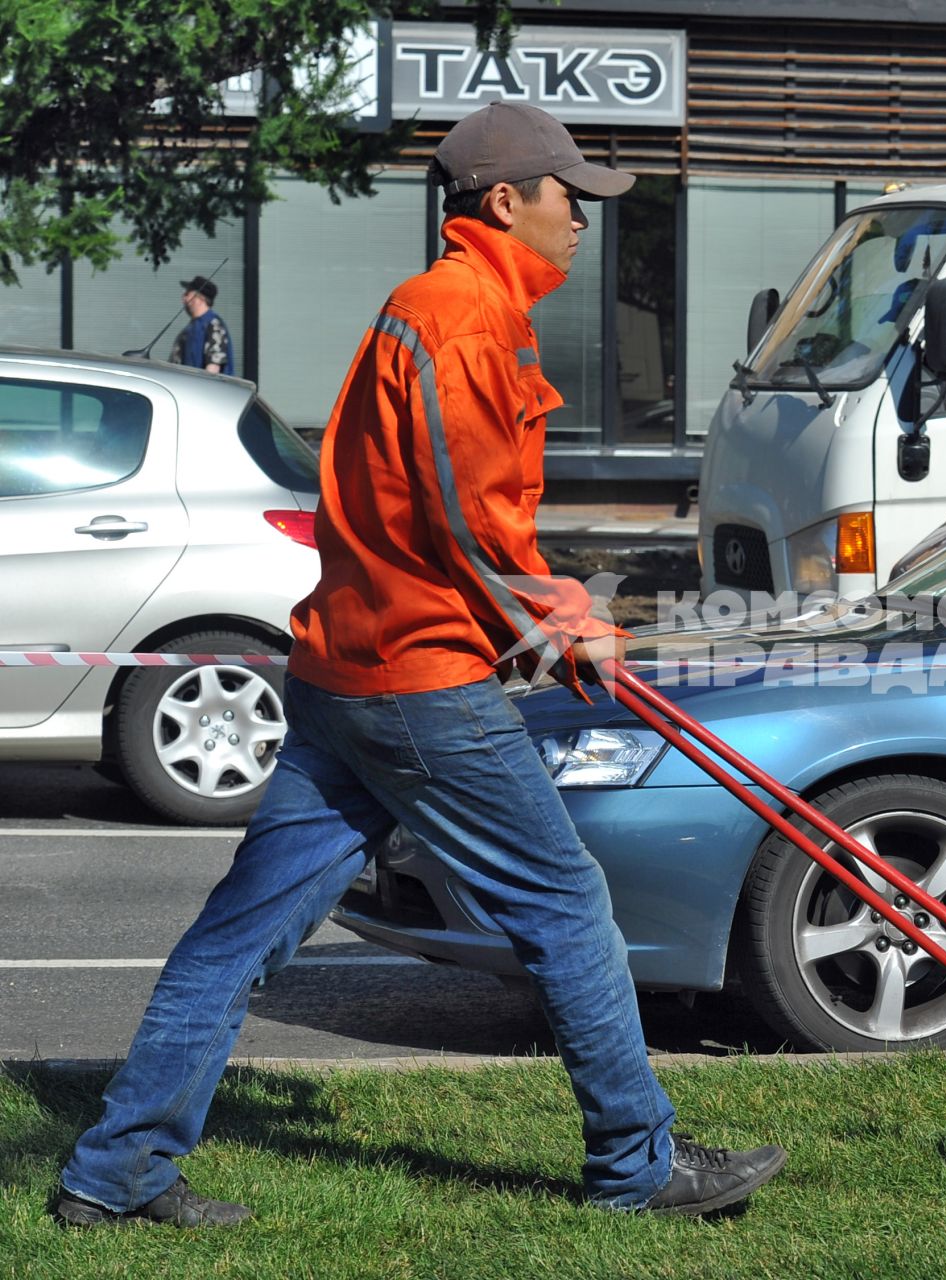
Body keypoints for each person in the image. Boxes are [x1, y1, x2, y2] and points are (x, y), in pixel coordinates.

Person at [52, 101, 785, 1229]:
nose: (584, 219)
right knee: (568, 901)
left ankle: (116, 1172)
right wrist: (550, 623)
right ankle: (638, 1166)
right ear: (506, 203)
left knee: (241, 933)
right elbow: (458, 516)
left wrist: (549, 599)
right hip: (417, 677)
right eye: (569, 195)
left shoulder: (449, 309)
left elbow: (469, 515)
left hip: (349, 675)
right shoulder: (462, 321)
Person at [169, 275, 234, 376]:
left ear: (199, 298)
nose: (183, 298)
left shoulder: (214, 325)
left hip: (206, 390)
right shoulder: (188, 330)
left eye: (187, 294)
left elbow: (213, 368)